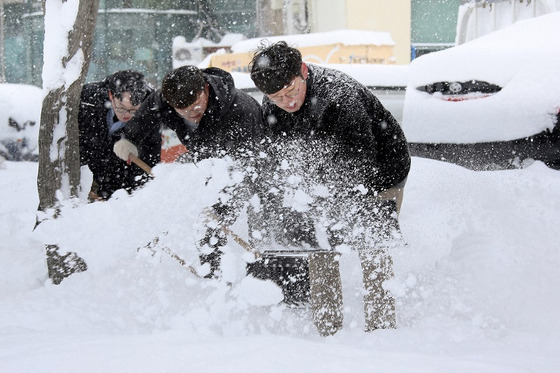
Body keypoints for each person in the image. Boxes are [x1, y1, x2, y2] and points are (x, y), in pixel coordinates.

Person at [249, 41, 411, 332]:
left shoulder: (339, 97)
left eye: (291, 91)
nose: (287, 102)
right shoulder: (272, 107)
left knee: (371, 242)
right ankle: (329, 330)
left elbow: (360, 163)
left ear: (302, 71)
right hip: (321, 178)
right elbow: (279, 160)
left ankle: (382, 329)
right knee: (318, 245)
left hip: (382, 170)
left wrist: (326, 197)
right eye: (276, 97)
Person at [113, 65, 265, 277]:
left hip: (248, 166)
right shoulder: (169, 97)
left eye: (196, 107)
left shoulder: (240, 111)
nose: (191, 115)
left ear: (205, 89)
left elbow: (240, 167)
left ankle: (258, 278)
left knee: (222, 221)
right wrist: (130, 138)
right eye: (183, 112)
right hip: (205, 158)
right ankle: (213, 278)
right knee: (205, 224)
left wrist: (216, 199)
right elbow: (148, 111)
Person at [79, 70, 156, 201]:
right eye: (121, 108)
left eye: (133, 110)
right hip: (88, 177)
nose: (126, 115)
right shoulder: (88, 101)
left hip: (124, 181)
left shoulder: (151, 111)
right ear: (111, 95)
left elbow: (150, 157)